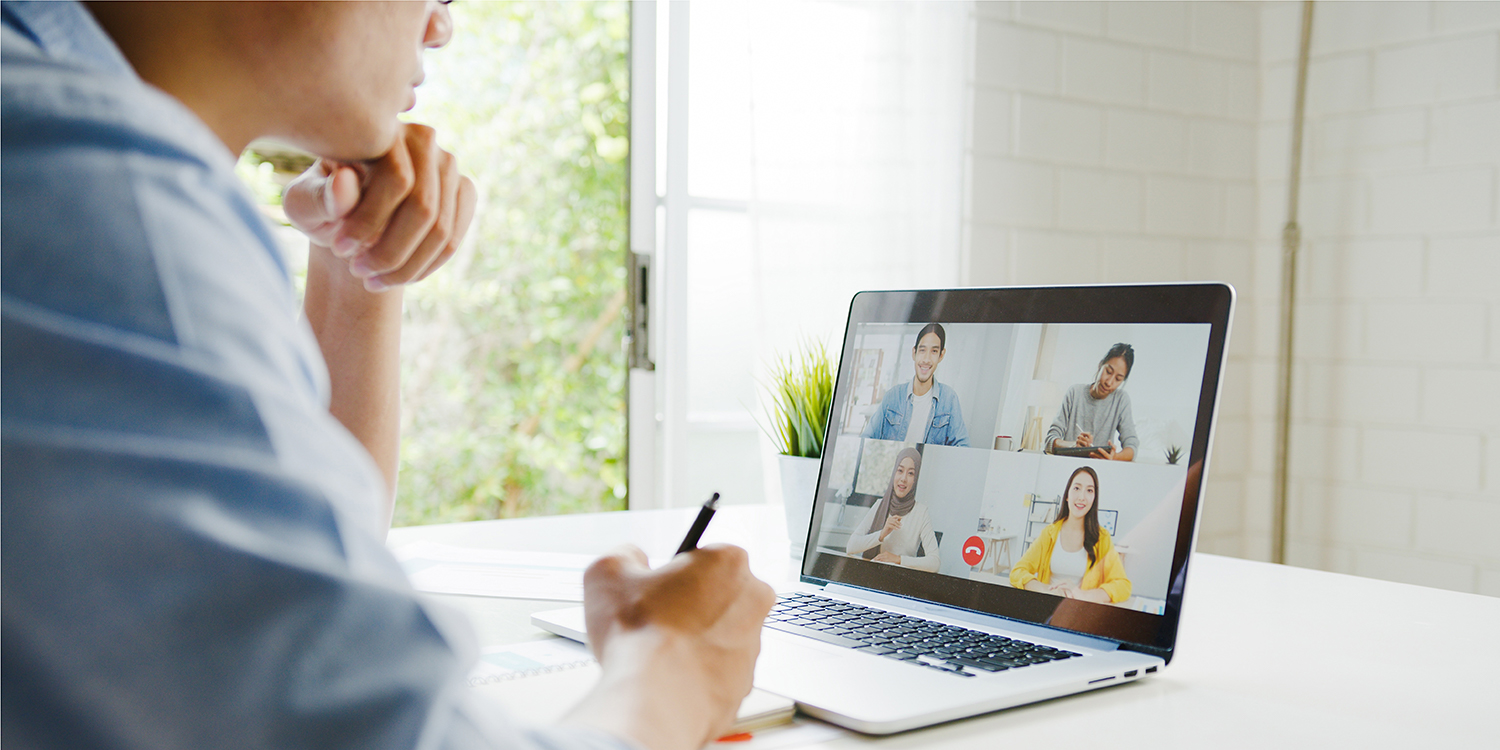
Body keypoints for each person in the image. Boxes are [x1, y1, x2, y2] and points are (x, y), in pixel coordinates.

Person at [0, 3, 773, 750]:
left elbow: (303, 587)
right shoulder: (85, 195)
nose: (441, 25)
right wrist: (672, 666)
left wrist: (354, 267)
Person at [1009, 467, 1130, 604]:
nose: (1081, 497)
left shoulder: (1102, 538)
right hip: (1048, 606)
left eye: (1089, 490)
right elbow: (1018, 571)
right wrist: (1046, 590)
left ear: (1094, 499)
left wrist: (1083, 595)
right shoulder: (1049, 533)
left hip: (1081, 611)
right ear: (1067, 495)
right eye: (1077, 488)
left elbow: (1122, 585)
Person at [861, 323, 970, 446]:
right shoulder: (893, 396)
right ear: (914, 353)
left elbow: (963, 447)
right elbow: (866, 439)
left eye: (934, 351)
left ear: (941, 355)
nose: (926, 359)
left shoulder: (949, 399)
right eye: (922, 350)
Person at [845, 447, 940, 572]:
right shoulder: (880, 505)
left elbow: (935, 563)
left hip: (900, 578)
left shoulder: (921, 512)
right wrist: (882, 534)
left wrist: (898, 559)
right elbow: (851, 547)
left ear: (915, 479)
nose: (903, 478)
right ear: (894, 473)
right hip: (872, 574)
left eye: (910, 473)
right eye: (900, 470)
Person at [1045, 342, 1139, 461]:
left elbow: (1132, 447)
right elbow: (1050, 441)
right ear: (1100, 365)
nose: (1109, 382)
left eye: (1118, 379)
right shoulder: (1075, 393)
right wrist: (1074, 445)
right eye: (1108, 372)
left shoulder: (1121, 400)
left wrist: (1114, 457)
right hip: (1067, 464)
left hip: (1099, 470)